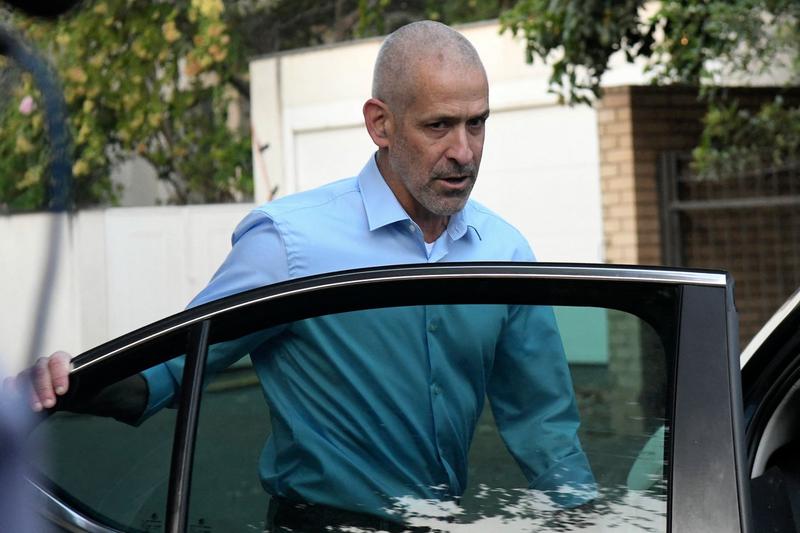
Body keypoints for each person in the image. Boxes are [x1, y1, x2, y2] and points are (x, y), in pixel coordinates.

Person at [14, 20, 595, 532]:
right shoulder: (288, 244)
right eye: (439, 126)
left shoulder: (505, 253)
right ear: (381, 124)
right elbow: (170, 370)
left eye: (477, 124)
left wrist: (586, 522)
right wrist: (62, 384)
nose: (464, 151)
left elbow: (544, 427)